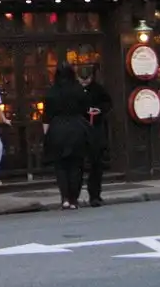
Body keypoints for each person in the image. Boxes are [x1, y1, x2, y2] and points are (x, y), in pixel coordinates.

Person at [43, 62, 91, 210]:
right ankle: (74, 200)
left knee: (60, 166)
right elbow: (86, 110)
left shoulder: (52, 92)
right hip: (77, 128)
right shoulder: (78, 90)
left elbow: (46, 116)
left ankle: (65, 198)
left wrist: (47, 136)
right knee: (76, 166)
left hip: (57, 128)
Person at [80, 66, 113, 207]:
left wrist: (99, 109)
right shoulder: (75, 90)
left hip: (96, 129)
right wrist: (84, 111)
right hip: (80, 129)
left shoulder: (98, 89)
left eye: (87, 79)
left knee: (96, 164)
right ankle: (72, 196)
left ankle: (95, 195)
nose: (84, 82)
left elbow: (108, 103)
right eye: (82, 79)